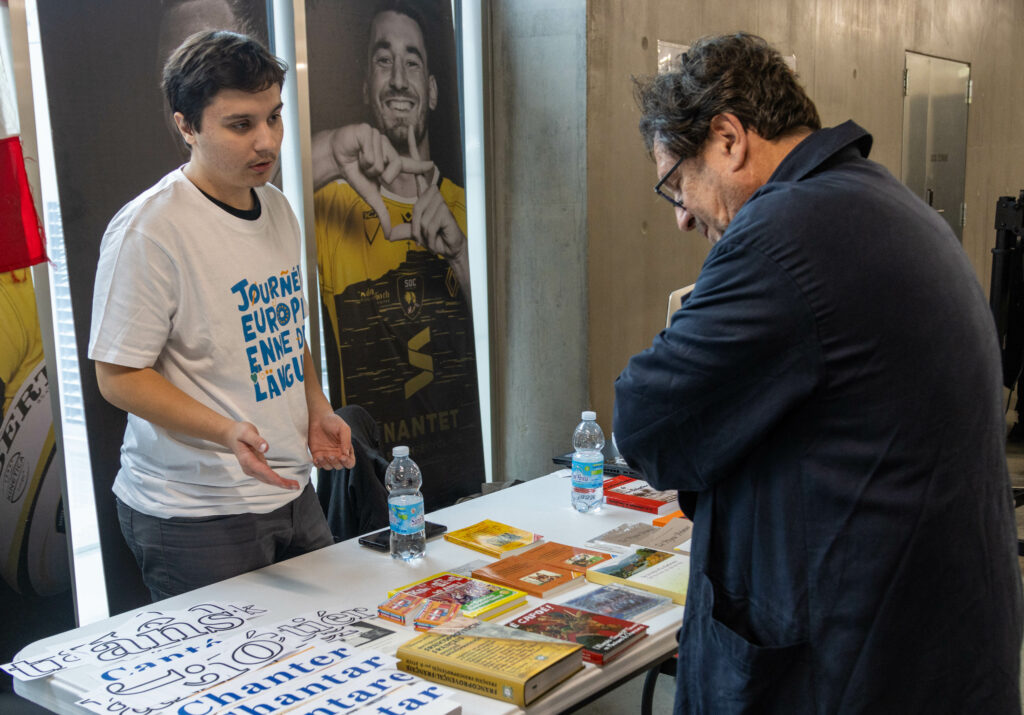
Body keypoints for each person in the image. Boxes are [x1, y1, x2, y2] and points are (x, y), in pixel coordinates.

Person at [614, 32, 1022, 714]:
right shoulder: (885, 204)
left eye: (675, 185)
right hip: (938, 651)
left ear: (728, 138)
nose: (682, 217)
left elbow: (646, 421)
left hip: (855, 669)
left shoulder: (783, 234)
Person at [88, 30, 354, 601]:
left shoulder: (278, 208)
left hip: (290, 489)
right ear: (186, 125)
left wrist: (316, 408)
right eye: (240, 125)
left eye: (274, 117)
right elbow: (117, 376)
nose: (267, 141)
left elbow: (285, 328)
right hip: (194, 513)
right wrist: (225, 431)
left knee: (331, 657)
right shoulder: (150, 230)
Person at [310, 0, 483, 511]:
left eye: (413, 62)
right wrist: (335, 145)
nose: (399, 78)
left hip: (463, 474)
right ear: (366, 86)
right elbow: (253, 186)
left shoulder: (469, 208)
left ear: (431, 91)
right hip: (369, 482)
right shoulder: (330, 204)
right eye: (383, 60)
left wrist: (458, 255)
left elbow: (513, 340)